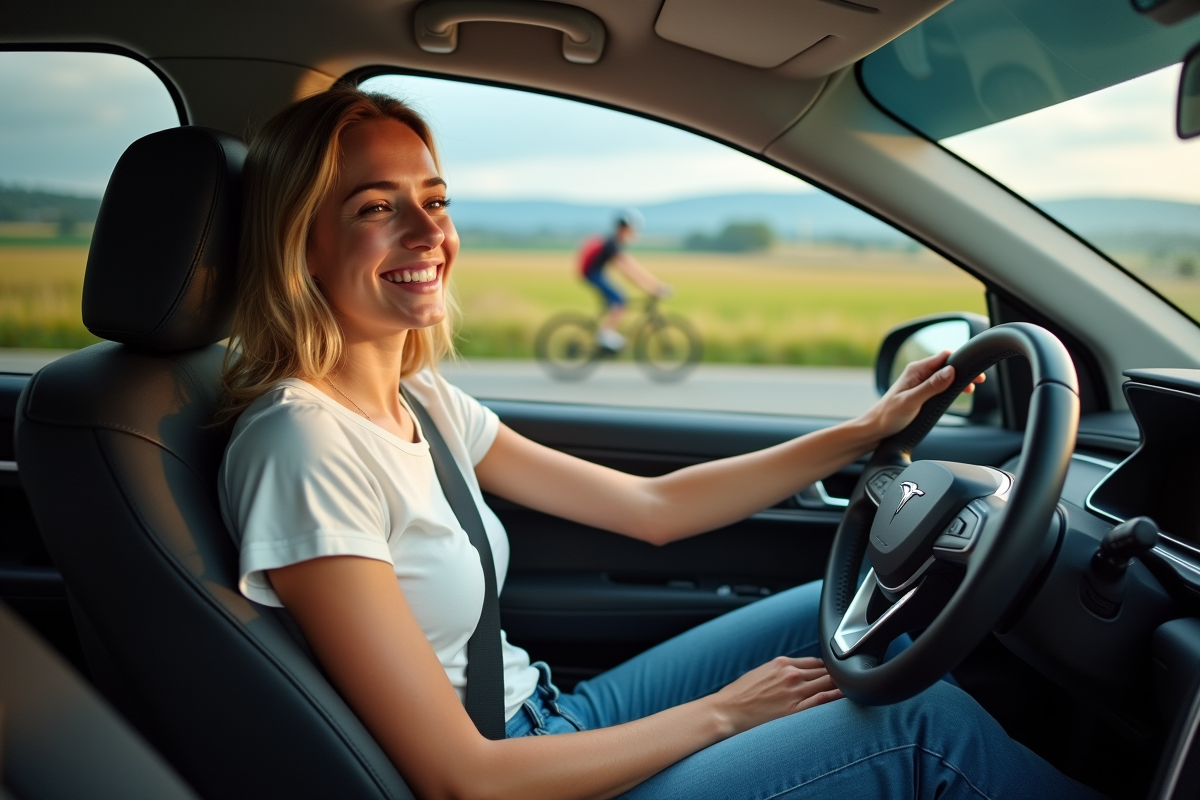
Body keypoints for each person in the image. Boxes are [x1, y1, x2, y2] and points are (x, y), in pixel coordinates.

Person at [217, 87, 1105, 800]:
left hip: (553, 713)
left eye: (435, 200)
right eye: (379, 207)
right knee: (922, 729)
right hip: (518, 770)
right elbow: (463, 779)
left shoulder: (421, 398)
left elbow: (652, 509)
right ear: (301, 244)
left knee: (836, 610)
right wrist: (725, 715)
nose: (428, 234)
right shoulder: (303, 446)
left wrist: (862, 433)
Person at [579, 211, 671, 352]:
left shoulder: (614, 242)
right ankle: (605, 336)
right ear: (624, 229)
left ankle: (605, 334)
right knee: (619, 299)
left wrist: (655, 285)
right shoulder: (612, 244)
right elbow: (627, 272)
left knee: (617, 300)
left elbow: (633, 267)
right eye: (632, 230)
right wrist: (651, 289)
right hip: (592, 273)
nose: (633, 233)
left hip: (596, 272)